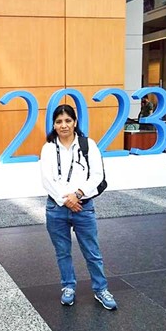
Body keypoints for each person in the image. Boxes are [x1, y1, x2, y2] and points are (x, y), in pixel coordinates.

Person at [40, 104, 117, 310]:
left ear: (75, 122)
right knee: (62, 252)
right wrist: (66, 200)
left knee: (92, 252)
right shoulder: (48, 148)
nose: (63, 125)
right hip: (56, 209)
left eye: (67, 120)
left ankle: (101, 289)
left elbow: (97, 176)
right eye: (59, 121)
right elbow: (47, 180)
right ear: (54, 125)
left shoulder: (88, 144)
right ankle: (68, 287)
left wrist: (77, 195)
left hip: (83, 206)